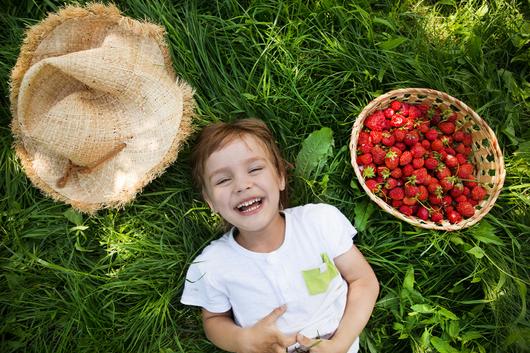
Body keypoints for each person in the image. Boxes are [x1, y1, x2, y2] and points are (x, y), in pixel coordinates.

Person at [181, 118, 379, 353]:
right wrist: (243, 340)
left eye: (254, 169)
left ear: (280, 178)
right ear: (210, 201)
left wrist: (341, 342)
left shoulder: (319, 223)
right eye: (223, 180)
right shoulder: (212, 264)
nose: (242, 185)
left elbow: (363, 281)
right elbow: (213, 320)